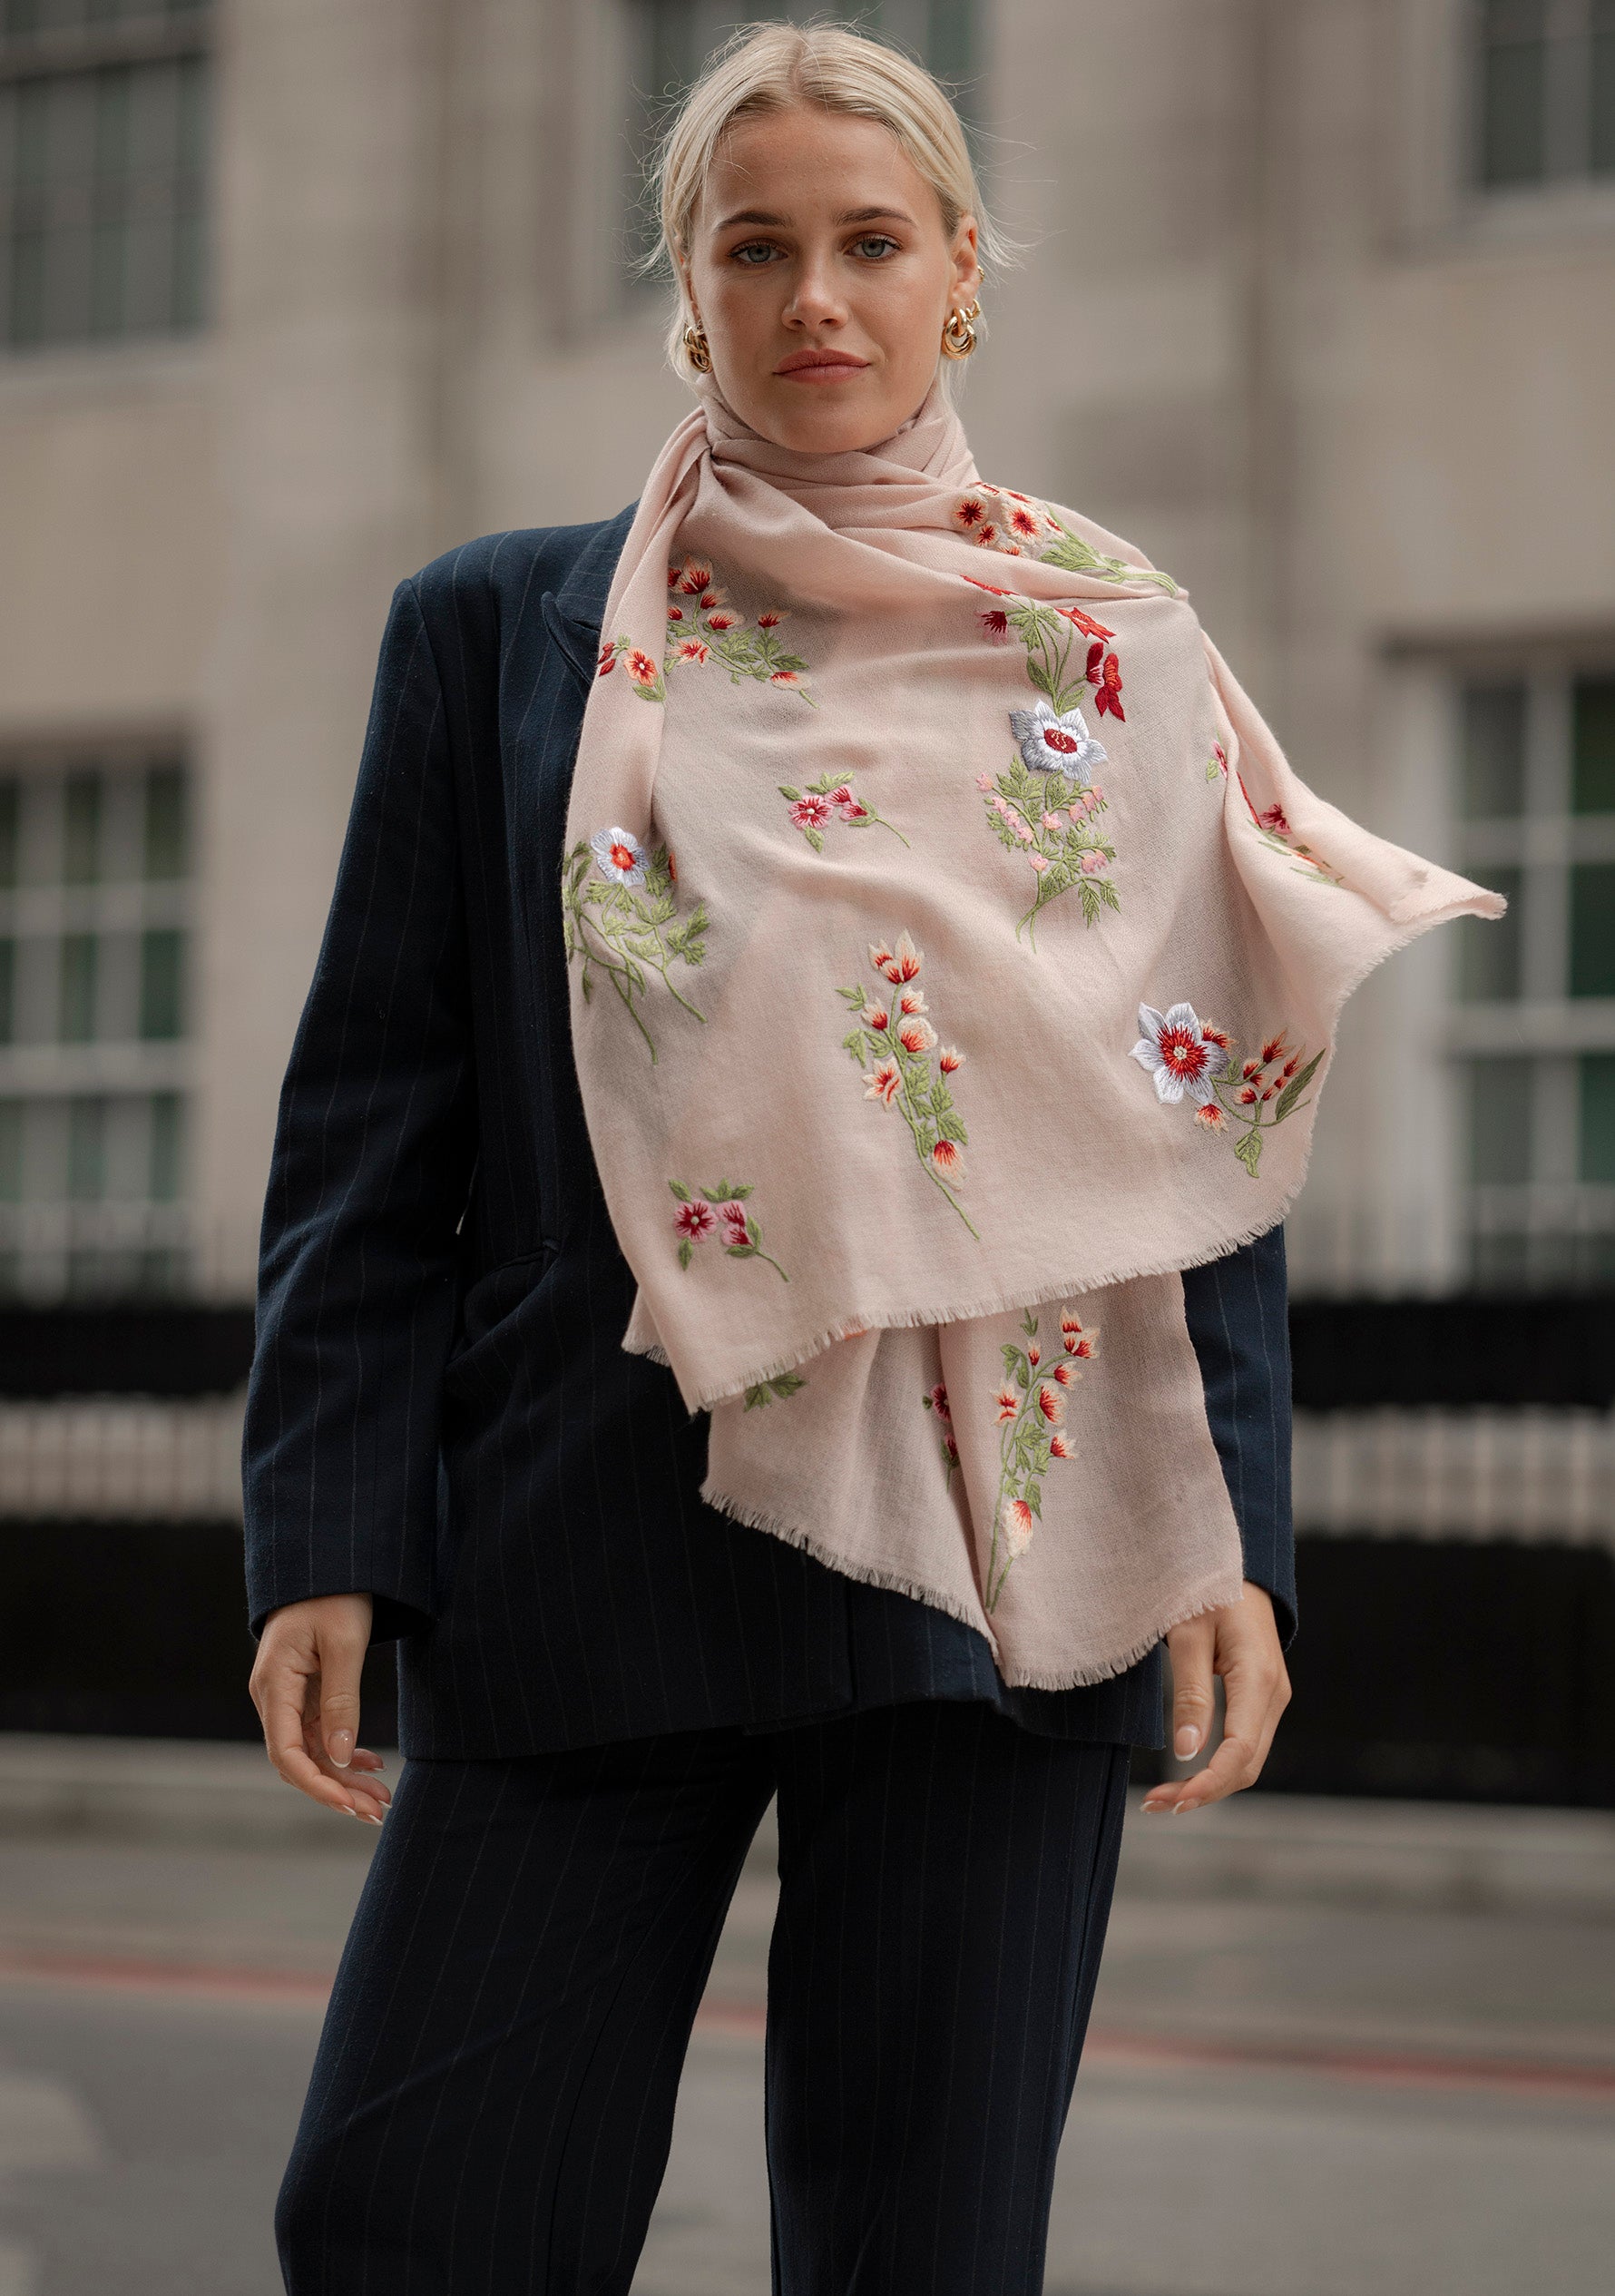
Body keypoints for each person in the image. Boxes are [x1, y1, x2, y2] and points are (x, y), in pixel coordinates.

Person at [245, 25, 1496, 2293]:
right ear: (686, 287)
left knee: (917, 2248)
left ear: (958, 279)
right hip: (588, 1522)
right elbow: (371, 1117)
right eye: (755, 247)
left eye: (866, 243)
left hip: (1016, 1564)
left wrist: (1230, 1529)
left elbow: (1186, 1108)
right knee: (408, 2218)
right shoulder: (491, 631)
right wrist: (327, 1526)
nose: (813, 295)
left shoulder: (1106, 647)